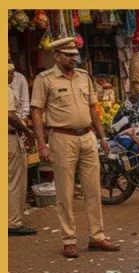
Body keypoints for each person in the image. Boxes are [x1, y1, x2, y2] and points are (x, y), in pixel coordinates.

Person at [30, 37, 120, 257]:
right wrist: (42, 145)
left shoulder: (83, 76)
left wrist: (102, 137)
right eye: (68, 55)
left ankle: (97, 237)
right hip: (62, 138)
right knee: (65, 191)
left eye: (74, 55)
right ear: (57, 56)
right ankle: (68, 239)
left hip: (87, 136)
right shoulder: (45, 79)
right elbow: (36, 113)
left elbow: (93, 108)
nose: (73, 58)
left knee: (93, 189)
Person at [8, 62, 36, 236]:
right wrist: (27, 130)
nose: (12, 76)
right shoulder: (7, 90)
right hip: (9, 138)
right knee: (15, 181)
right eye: (10, 72)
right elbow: (9, 115)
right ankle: (13, 222)